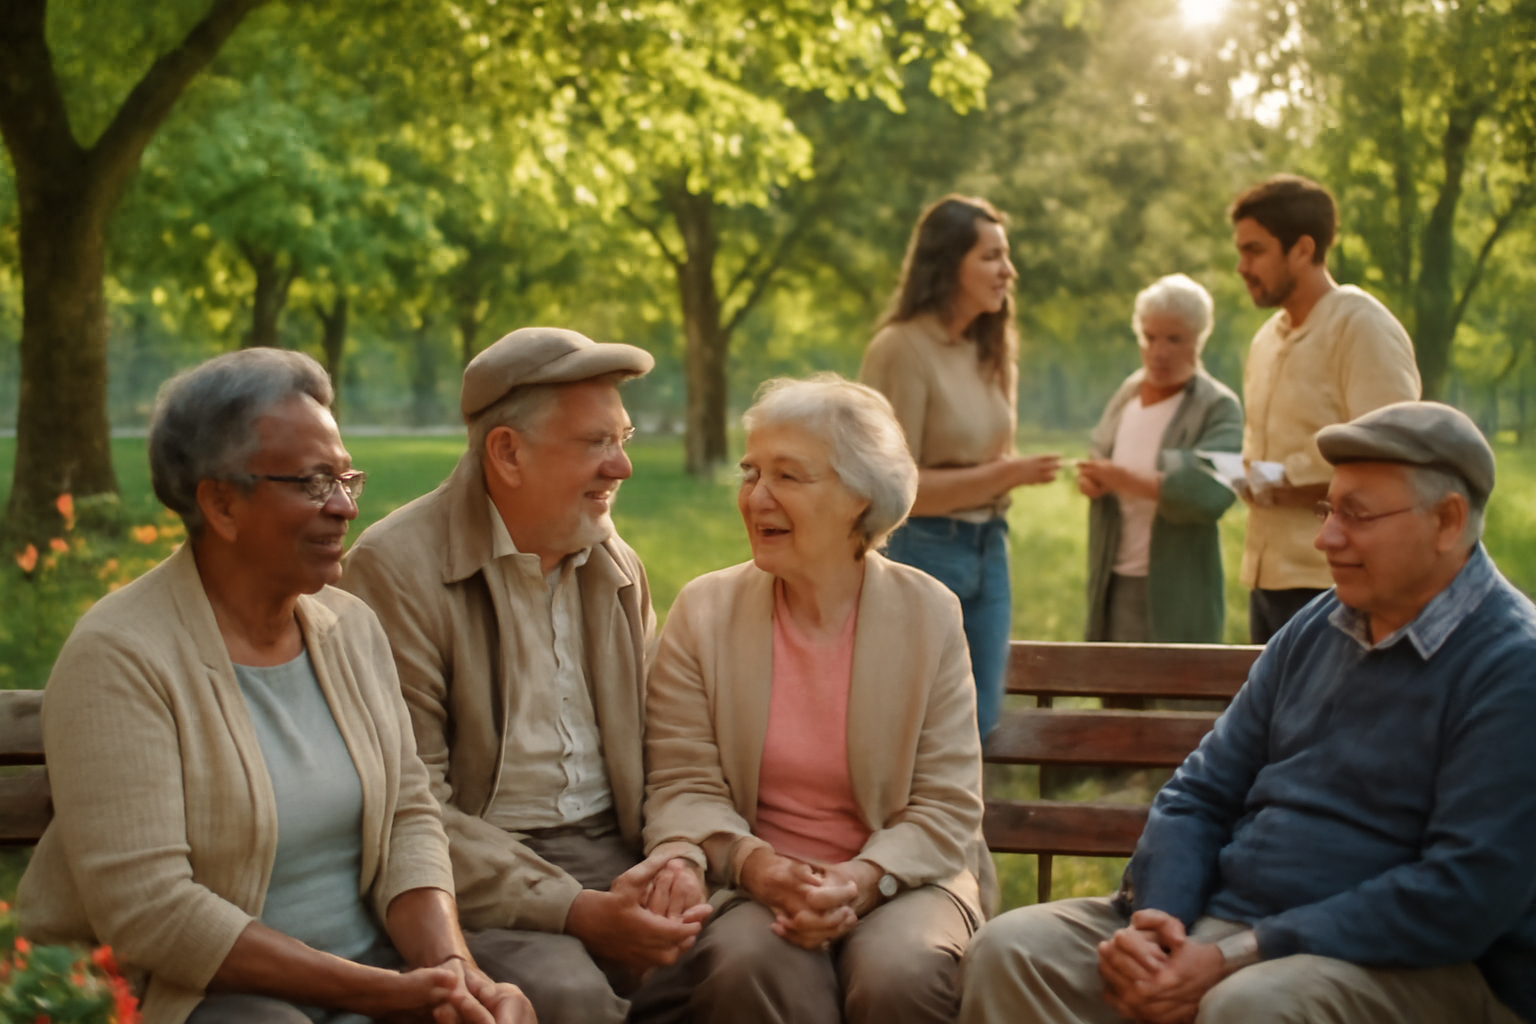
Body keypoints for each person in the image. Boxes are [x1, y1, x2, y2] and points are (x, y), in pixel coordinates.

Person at [959, 401, 1536, 1024]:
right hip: (1222, 927)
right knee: (1011, 952)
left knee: (1248, 1006)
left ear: (1448, 520)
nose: (1326, 538)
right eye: (1328, 510)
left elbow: (1461, 894)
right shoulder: (1320, 626)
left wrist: (1239, 953)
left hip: (1401, 962)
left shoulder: (1512, 665)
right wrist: (1161, 921)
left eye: (1356, 515)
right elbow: (1199, 792)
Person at [16, 350, 533, 1024]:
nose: (345, 507)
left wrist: (453, 973)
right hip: (193, 999)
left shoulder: (352, 629)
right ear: (222, 503)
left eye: (346, 478)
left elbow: (408, 819)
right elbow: (153, 912)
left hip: (369, 980)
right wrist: (381, 994)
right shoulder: (119, 656)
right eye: (315, 483)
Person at [340, 327, 710, 1024]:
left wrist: (675, 858)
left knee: (750, 960)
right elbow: (408, 807)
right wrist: (577, 908)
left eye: (623, 439)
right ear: (507, 453)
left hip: (619, 846)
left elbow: (668, 749)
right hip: (479, 868)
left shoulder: (614, 562)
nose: (623, 467)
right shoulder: (395, 571)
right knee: (567, 996)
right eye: (596, 443)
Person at [640, 374, 987, 1024]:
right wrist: (758, 866)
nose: (755, 497)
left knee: (902, 974)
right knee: (753, 965)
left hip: (905, 878)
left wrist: (863, 879)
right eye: (750, 473)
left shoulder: (929, 614)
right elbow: (683, 784)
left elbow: (947, 805)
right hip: (753, 886)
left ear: (860, 497)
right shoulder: (704, 611)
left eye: (787, 476)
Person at [860, 194, 1060, 739]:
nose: (1008, 271)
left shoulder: (990, 346)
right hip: (923, 548)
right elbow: (892, 489)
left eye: (1006, 256)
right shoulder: (901, 348)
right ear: (949, 264)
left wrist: (1002, 476)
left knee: (980, 719)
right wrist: (1007, 475)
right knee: (919, 725)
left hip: (990, 546)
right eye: (991, 257)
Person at [1231, 174, 1421, 642]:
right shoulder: (1266, 340)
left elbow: (1391, 448)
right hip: (1267, 577)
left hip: (1337, 580)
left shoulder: (1361, 326)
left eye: (1255, 251)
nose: (1241, 266)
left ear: (1302, 249)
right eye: (1240, 251)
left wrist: (1287, 478)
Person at [1078, 274, 1243, 644]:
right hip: (1114, 579)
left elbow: (1210, 492)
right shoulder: (1128, 392)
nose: (1159, 351)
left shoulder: (1218, 407)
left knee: (1177, 681)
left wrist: (1122, 479)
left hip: (1179, 591)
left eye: (1174, 339)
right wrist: (1093, 480)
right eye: (1150, 337)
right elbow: (1099, 449)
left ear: (1197, 339)